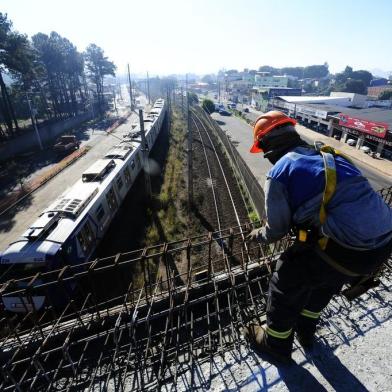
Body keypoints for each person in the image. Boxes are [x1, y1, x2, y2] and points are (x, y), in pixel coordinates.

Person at [243, 111, 392, 364]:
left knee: (284, 282)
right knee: (324, 281)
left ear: (266, 147)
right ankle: (306, 331)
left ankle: (275, 344)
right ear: (293, 134)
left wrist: (257, 235)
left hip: (346, 250)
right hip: (382, 247)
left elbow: (276, 230)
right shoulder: (333, 156)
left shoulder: (280, 171)